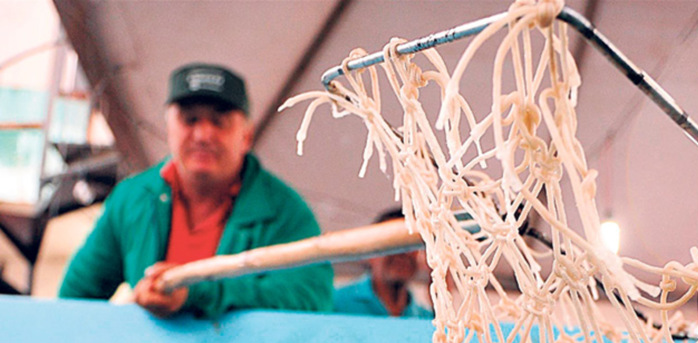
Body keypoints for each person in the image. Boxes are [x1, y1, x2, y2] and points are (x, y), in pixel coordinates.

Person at [59, 63, 332, 317]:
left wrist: (195, 293)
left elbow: (312, 299)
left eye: (219, 121)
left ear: (246, 136)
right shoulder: (131, 198)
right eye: (190, 120)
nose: (203, 135)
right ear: (169, 130)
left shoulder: (286, 212)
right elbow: (74, 300)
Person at [332, 208, 434, 318]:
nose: (403, 252)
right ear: (369, 253)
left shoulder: (425, 317)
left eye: (411, 243)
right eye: (392, 241)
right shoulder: (333, 303)